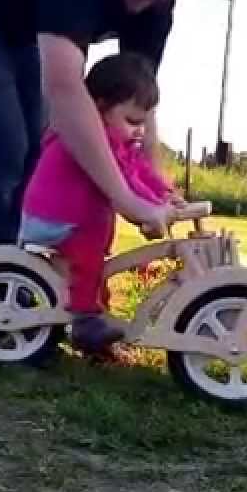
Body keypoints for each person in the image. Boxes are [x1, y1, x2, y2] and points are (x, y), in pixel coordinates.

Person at [0, 0, 178, 263]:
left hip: (23, 28)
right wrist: (127, 200)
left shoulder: (157, 9)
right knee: (4, 156)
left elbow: (140, 101)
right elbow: (64, 89)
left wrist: (157, 190)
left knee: (37, 159)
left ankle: (19, 286)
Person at [17, 53, 181, 353]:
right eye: (132, 121)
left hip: (73, 218)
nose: (140, 131)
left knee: (96, 254)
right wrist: (151, 205)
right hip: (56, 219)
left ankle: (94, 311)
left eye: (143, 123)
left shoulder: (115, 140)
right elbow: (127, 178)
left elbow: (138, 170)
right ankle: (85, 319)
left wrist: (165, 195)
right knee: (89, 255)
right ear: (100, 107)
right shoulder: (94, 137)